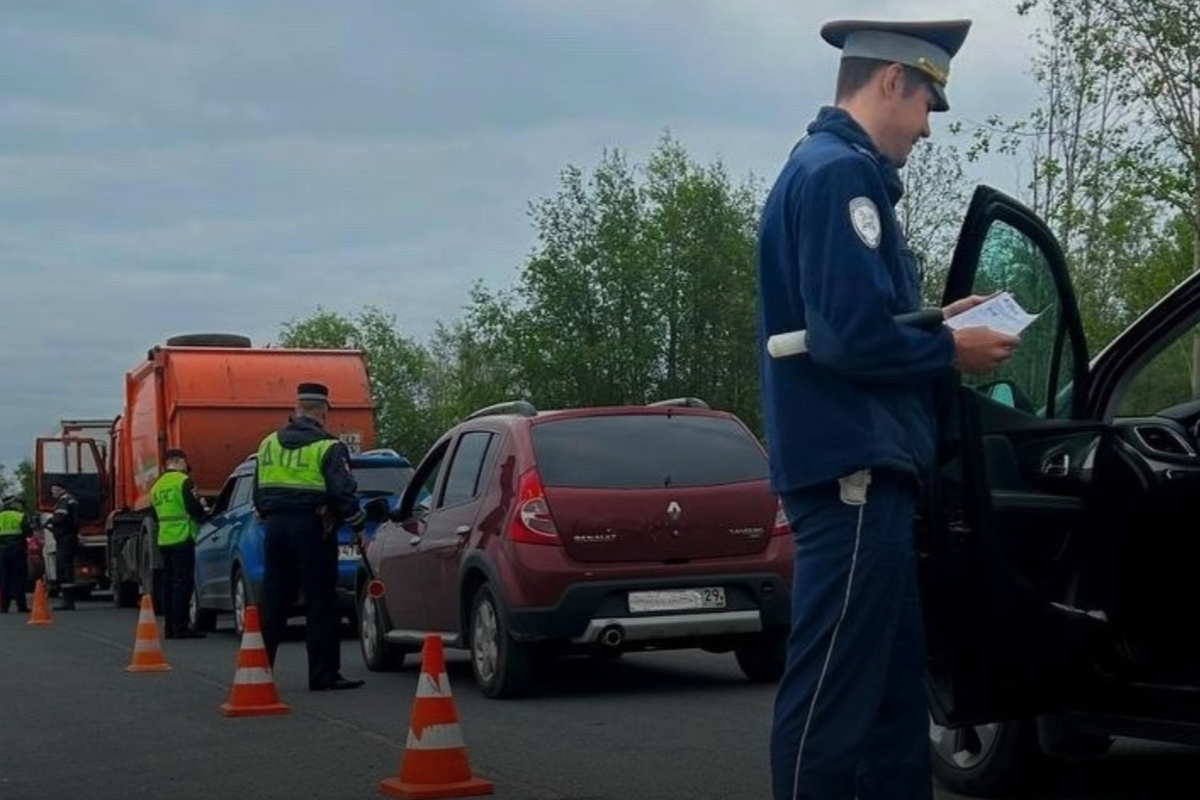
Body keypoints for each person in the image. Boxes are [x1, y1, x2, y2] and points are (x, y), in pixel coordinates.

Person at [757, 19, 1020, 800]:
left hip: (866, 476)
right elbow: (847, 339)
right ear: (892, 81)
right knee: (835, 701)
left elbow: (847, 323)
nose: (929, 127)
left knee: (890, 702)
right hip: (852, 475)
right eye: (930, 104)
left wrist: (941, 319)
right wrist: (953, 352)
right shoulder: (840, 174)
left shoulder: (834, 171)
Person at [253, 382, 366, 691]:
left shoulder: (268, 444)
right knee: (320, 601)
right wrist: (357, 526)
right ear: (323, 411)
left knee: (274, 599)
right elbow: (343, 493)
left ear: (296, 409)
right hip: (313, 528)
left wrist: (271, 515)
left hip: (275, 529)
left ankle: (258, 671)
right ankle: (323, 675)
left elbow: (258, 493)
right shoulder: (328, 446)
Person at [150, 449, 209, 639]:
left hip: (164, 538)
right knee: (182, 584)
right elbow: (194, 508)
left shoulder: (157, 486)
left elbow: (153, 515)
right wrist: (204, 511)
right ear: (180, 461)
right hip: (183, 536)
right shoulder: (184, 481)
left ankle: (169, 627)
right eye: (185, 462)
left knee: (168, 584)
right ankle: (181, 627)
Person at [48, 482, 80, 611]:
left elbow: (60, 518)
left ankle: (67, 601)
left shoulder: (64, 500)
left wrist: (49, 521)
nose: (52, 493)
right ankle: (68, 601)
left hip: (65, 538)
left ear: (61, 489)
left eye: (54, 490)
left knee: (64, 568)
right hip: (69, 536)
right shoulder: (71, 500)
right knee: (67, 567)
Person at [0, 495, 32, 614]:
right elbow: (29, 533)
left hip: (2, 552)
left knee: (4, 579)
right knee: (19, 579)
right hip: (18, 550)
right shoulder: (20, 516)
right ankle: (21, 606)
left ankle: (4, 607)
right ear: (12, 504)